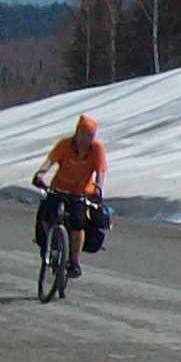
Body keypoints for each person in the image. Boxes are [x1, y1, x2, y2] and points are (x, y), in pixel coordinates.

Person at [31, 114, 107, 277]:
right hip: (58, 188)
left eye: (90, 136)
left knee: (78, 223)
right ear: (76, 132)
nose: (85, 139)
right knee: (46, 215)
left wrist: (98, 189)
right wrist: (40, 174)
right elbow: (49, 162)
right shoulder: (64, 145)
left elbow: (100, 171)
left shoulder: (96, 149)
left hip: (80, 193)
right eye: (83, 134)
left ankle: (74, 262)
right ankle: (51, 243)